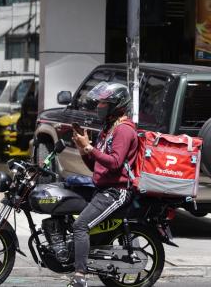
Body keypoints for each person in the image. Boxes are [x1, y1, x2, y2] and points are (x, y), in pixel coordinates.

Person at [68, 82, 138, 287]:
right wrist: (83, 149)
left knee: (80, 225)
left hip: (116, 191)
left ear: (117, 106)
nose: (99, 107)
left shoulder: (124, 131)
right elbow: (95, 165)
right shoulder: (107, 130)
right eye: (98, 103)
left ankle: (79, 276)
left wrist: (89, 147)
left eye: (104, 104)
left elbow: (116, 163)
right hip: (102, 188)